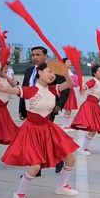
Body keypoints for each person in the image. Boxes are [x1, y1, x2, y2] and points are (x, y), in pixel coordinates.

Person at [0, 63, 79, 198]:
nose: (52, 75)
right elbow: (3, 88)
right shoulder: (29, 90)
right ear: (40, 72)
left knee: (70, 159)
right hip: (31, 131)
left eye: (54, 73)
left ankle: (62, 186)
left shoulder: (53, 89)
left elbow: (69, 83)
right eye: (49, 71)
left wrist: (64, 72)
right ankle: (19, 193)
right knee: (35, 167)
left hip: (49, 130)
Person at [19, 46, 70, 175]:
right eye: (33, 55)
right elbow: (24, 90)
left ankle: (51, 161)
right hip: (31, 109)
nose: (35, 57)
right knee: (37, 140)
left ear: (45, 56)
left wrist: (59, 105)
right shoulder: (29, 71)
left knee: (46, 138)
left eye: (38, 54)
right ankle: (38, 167)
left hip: (47, 108)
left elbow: (65, 89)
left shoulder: (53, 70)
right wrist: (21, 109)